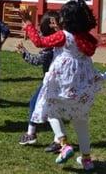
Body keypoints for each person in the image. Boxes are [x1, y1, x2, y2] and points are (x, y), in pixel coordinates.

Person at [19, 0, 106, 172]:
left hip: (63, 83)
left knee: (50, 109)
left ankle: (64, 143)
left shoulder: (62, 36)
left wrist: (29, 23)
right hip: (82, 87)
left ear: (66, 19)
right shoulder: (86, 39)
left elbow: (39, 42)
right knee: (81, 122)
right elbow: (72, 41)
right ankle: (87, 160)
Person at [17, 11, 60, 151]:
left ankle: (32, 134)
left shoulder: (49, 49)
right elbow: (39, 38)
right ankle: (56, 139)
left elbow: (37, 60)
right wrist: (29, 27)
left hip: (50, 81)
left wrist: (24, 53)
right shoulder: (59, 39)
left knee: (36, 104)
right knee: (54, 109)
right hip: (61, 80)